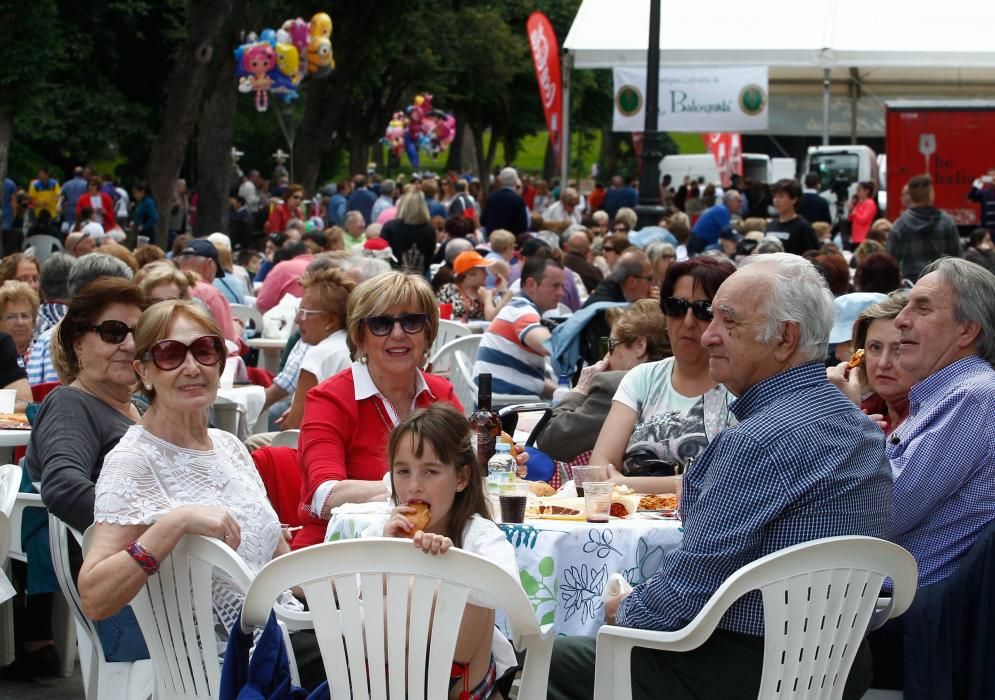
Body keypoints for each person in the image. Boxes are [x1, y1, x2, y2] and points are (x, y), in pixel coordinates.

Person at [547, 253, 892, 700]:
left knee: (550, 658)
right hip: (837, 666)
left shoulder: (761, 440)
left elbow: (684, 593)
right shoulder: (859, 427)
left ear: (785, 339)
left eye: (727, 321)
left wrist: (620, 611)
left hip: (748, 667)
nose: (708, 335)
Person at [76, 300, 321, 688]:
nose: (192, 367)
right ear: (144, 372)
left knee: (401, 637)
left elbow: (281, 568)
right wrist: (175, 522)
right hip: (221, 666)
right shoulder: (135, 460)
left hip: (284, 636)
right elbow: (94, 596)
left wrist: (359, 582)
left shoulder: (229, 446)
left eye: (204, 350)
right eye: (170, 354)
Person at [866, 257, 995, 686]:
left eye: (921, 309)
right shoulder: (943, 397)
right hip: (900, 608)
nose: (901, 320)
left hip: (912, 619)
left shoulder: (973, 398)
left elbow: (883, 513)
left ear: (967, 331)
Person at [20, 278, 149, 675]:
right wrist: (158, 530)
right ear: (78, 344)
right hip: (133, 601)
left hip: (164, 584)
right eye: (113, 332)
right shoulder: (72, 403)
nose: (128, 344)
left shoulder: (142, 406)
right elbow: (63, 486)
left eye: (138, 333)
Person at [293, 272, 463, 549]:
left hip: (434, 549)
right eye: (381, 324)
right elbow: (323, 497)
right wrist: (409, 488)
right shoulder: (330, 399)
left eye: (411, 322)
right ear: (360, 337)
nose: (398, 334)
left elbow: (465, 472)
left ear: (427, 332)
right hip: (338, 554)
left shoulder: (440, 393)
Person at [370, 404, 520, 697]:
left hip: (461, 677)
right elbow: (355, 598)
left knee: (470, 584)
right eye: (402, 471)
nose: (414, 486)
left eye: (430, 472)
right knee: (396, 586)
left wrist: (452, 566)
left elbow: (506, 588)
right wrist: (390, 552)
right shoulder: (380, 531)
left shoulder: (477, 532)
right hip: (386, 677)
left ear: (461, 478)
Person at [589, 257, 736, 493]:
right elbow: (598, 470)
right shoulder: (641, 378)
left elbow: (727, 484)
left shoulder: (740, 386)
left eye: (703, 310)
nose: (688, 322)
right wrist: (680, 484)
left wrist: (624, 483)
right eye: (676, 307)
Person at [536, 299, 670, 463]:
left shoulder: (616, 385)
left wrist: (580, 389)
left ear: (640, 346)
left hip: (627, 486)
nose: (607, 355)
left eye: (611, 344)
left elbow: (551, 440)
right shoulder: (683, 379)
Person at [275, 267, 354, 430]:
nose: (297, 320)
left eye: (305, 313)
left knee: (251, 445)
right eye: (299, 311)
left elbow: (294, 426)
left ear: (330, 321)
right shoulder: (353, 344)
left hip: (319, 444)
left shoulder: (319, 354)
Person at [474, 255, 564, 398]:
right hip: (505, 411)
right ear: (531, 285)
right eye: (555, 286)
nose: (561, 293)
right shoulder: (521, 310)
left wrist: (566, 394)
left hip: (499, 402)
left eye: (562, 286)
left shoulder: (518, 307)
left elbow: (528, 381)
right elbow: (548, 345)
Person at [826, 291, 912, 436]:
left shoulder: (933, 420)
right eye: (875, 347)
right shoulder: (865, 410)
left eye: (899, 349)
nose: (883, 363)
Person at [886, 174, 962, 281]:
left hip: (912, 285)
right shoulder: (946, 222)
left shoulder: (899, 225)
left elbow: (890, 262)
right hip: (941, 282)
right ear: (931, 195)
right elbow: (958, 260)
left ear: (911, 197)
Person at [175, 239, 241, 347]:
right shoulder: (211, 294)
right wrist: (237, 331)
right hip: (202, 358)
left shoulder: (167, 287)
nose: (215, 276)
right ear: (209, 264)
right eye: (216, 270)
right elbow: (228, 345)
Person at [436, 251, 508, 322]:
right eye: (483, 269)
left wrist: (501, 291)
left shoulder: (484, 293)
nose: (487, 274)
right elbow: (442, 319)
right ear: (470, 274)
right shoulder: (449, 291)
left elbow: (499, 317)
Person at [381, 192, 436, 277]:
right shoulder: (429, 230)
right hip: (420, 278)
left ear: (402, 207)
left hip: (393, 277)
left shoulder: (390, 227)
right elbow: (429, 257)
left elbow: (383, 254)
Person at [766, 178, 819, 256]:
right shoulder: (772, 224)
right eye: (774, 196)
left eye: (781, 196)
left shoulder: (803, 227)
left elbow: (813, 256)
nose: (776, 200)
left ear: (794, 199)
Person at [0, 281, 39, 368]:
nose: (20, 323)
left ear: (33, 320)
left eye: (24, 316)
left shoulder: (44, 350)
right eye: (11, 317)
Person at [480, 167, 529, 236]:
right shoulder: (518, 200)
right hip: (511, 240)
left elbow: (483, 220)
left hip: (493, 238)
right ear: (515, 180)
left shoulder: (491, 198)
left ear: (500, 180)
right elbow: (523, 225)